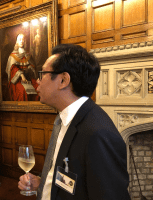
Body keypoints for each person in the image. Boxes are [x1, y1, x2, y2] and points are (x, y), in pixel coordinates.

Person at [18, 44, 130, 200]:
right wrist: (43, 183)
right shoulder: (64, 119)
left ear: (63, 80)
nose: (37, 81)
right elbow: (70, 178)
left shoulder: (98, 133)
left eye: (42, 73)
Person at [6, 33, 39, 101]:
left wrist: (29, 68)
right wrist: (22, 75)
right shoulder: (12, 55)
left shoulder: (27, 54)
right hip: (17, 79)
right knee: (23, 91)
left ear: (25, 41)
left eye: (23, 39)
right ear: (17, 42)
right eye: (20, 39)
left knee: (38, 88)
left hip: (28, 77)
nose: (21, 41)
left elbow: (32, 65)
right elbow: (12, 68)